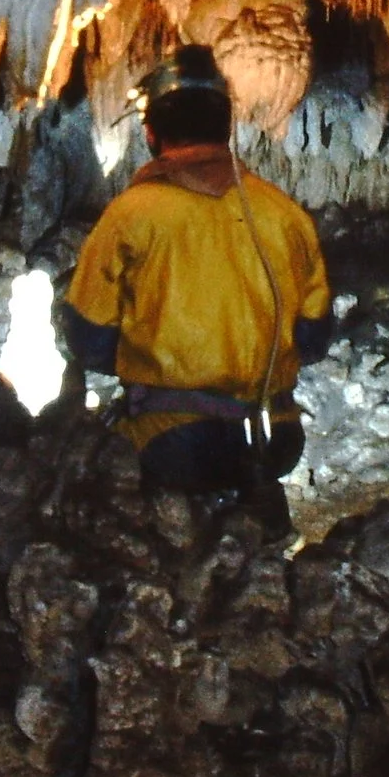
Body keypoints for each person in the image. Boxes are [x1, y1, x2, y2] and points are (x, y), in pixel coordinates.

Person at [59, 45, 332, 516]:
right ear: (226, 127)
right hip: (276, 439)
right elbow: (314, 338)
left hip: (175, 445)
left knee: (80, 478)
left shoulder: (131, 215)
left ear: (151, 132)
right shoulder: (285, 214)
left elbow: (88, 338)